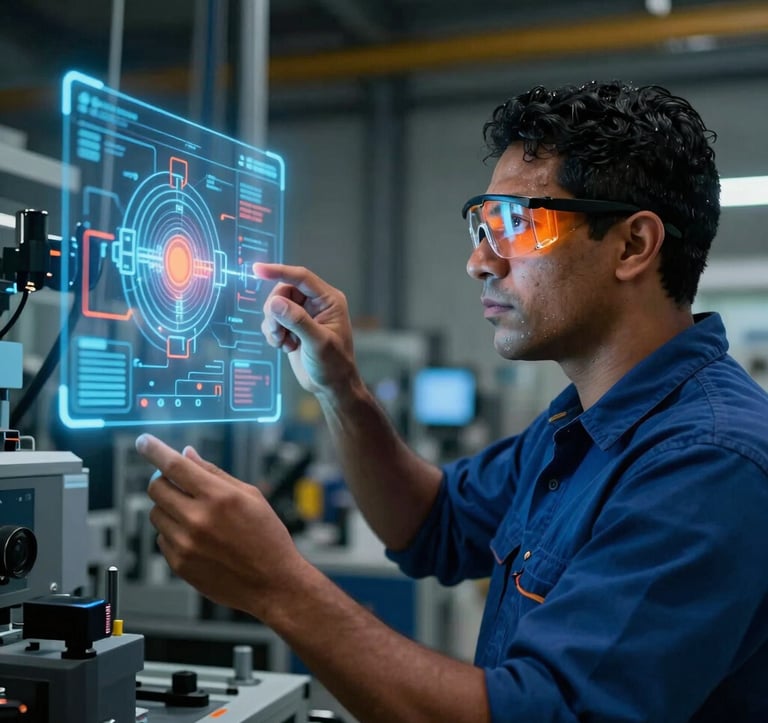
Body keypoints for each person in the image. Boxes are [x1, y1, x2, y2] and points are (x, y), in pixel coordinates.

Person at [135, 81, 768, 722]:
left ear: (633, 245)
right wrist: (340, 389)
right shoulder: (572, 429)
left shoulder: (709, 463)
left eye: (517, 225)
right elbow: (429, 524)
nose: (478, 262)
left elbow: (547, 713)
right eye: (482, 225)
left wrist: (280, 585)